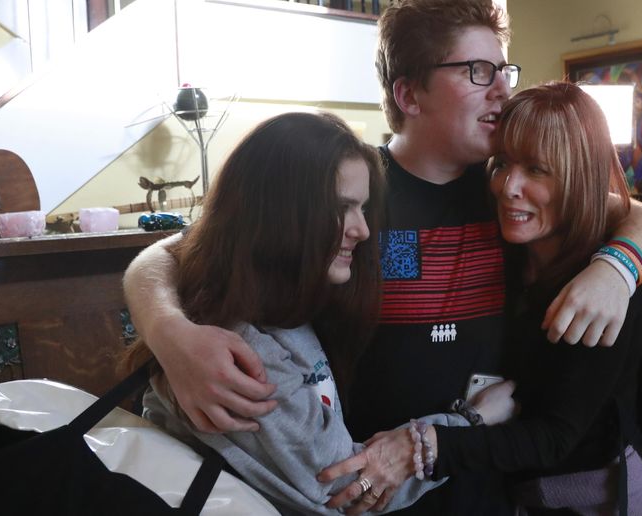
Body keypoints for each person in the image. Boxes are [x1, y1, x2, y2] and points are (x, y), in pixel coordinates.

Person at [122, 0, 642, 513]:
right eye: (479, 71)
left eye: (505, 70)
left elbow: (640, 216)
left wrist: (617, 268)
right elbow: (177, 252)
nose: (502, 91)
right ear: (410, 96)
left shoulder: (509, 189)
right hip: (365, 486)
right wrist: (169, 333)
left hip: (482, 480)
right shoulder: (352, 185)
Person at [124, 112, 495, 515]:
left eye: (363, 209)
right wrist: (472, 421)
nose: (363, 230)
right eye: (342, 208)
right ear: (278, 212)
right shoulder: (240, 351)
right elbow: (344, 489)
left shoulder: (270, 297)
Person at [320, 81, 642, 515]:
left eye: (536, 169)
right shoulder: (496, 239)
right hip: (474, 489)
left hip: (585, 498)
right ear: (409, 95)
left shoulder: (597, 286)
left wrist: (618, 267)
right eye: (502, 164)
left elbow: (553, 437)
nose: (507, 186)